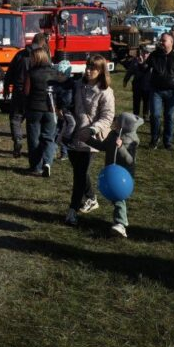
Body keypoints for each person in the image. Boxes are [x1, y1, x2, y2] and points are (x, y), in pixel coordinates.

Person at [65, 55, 115, 226]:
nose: (88, 70)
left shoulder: (106, 92)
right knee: (79, 172)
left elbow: (108, 117)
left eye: (93, 68)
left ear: (101, 71)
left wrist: (92, 129)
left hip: (90, 139)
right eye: (87, 66)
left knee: (79, 175)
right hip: (72, 134)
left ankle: (72, 210)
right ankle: (92, 198)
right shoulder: (77, 85)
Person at [99, 112, 143, 238]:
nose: (114, 122)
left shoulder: (132, 140)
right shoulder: (113, 135)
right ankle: (122, 221)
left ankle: (121, 224)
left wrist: (121, 147)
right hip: (112, 172)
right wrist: (87, 139)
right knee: (116, 198)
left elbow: (130, 160)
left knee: (118, 198)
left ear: (124, 126)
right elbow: (103, 147)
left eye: (117, 121)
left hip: (124, 175)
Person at [24, 48, 66, 177]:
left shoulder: (31, 73)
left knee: (34, 139)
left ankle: (36, 167)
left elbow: (26, 91)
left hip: (34, 108)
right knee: (49, 138)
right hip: (51, 109)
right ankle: (47, 162)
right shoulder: (54, 72)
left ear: (36, 58)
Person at [145, 33, 174, 150]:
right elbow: (144, 68)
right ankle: (154, 140)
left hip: (172, 91)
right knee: (155, 115)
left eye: (164, 41)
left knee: (169, 117)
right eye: (161, 40)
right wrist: (142, 63)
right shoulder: (154, 55)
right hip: (156, 90)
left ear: (171, 42)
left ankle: (168, 142)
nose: (161, 43)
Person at [4, 34, 46, 158]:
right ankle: (35, 150)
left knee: (16, 118)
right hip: (35, 93)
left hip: (19, 90)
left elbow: (10, 71)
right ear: (42, 43)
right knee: (34, 122)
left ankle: (17, 140)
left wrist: (7, 86)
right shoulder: (43, 56)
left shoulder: (20, 54)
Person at [122, 47, 151, 118]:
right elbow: (130, 71)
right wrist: (125, 80)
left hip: (147, 85)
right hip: (137, 85)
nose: (145, 55)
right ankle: (135, 115)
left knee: (147, 101)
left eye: (147, 53)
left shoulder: (151, 61)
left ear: (149, 54)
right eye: (144, 52)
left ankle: (145, 115)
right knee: (136, 101)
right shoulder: (135, 60)